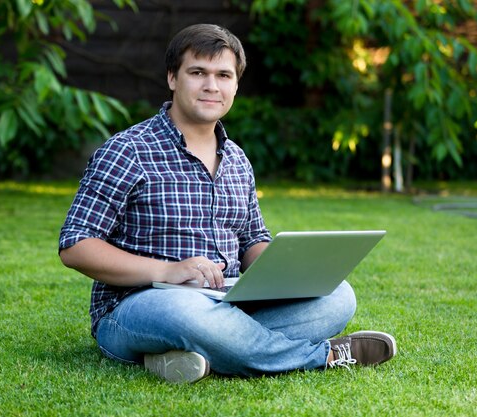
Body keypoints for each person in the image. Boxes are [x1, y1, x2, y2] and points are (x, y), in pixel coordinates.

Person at [58, 23, 396, 383]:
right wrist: (166, 271)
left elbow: (252, 240)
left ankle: (185, 356)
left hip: (228, 302)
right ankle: (322, 356)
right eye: (198, 73)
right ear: (173, 78)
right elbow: (76, 245)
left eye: (223, 75)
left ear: (236, 85)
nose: (211, 86)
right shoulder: (127, 150)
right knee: (185, 314)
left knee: (338, 296)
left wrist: (287, 272)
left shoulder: (237, 159)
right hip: (140, 306)